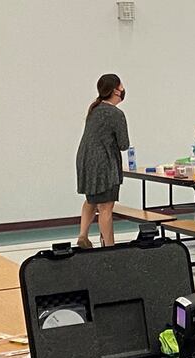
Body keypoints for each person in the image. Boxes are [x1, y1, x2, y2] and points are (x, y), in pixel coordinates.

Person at [76, 74, 129, 248]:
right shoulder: (116, 114)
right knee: (106, 207)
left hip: (85, 159)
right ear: (115, 90)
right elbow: (123, 144)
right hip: (104, 163)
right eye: (121, 86)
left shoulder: (94, 109)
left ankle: (83, 234)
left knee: (91, 199)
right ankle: (109, 246)